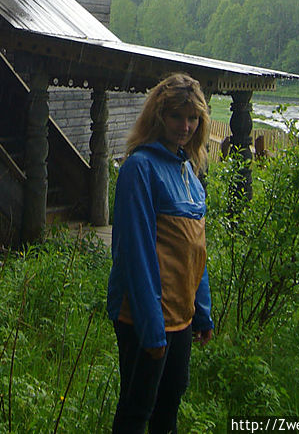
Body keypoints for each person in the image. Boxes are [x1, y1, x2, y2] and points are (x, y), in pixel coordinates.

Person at [107, 73, 214, 434]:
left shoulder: (189, 171)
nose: (185, 126)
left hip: (181, 318)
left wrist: (202, 312)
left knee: (169, 408)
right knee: (137, 411)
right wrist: (153, 331)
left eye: (193, 118)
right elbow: (135, 255)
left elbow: (195, 250)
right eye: (177, 116)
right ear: (158, 117)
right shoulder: (140, 169)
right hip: (143, 318)